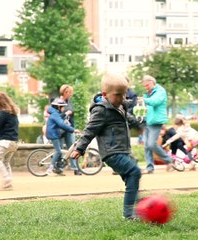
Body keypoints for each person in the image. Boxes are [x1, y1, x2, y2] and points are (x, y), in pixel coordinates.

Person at [71, 72, 142, 220]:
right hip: (111, 152)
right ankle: (129, 214)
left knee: (131, 178)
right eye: (118, 95)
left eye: (124, 94)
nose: (122, 98)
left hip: (123, 150)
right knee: (134, 172)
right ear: (105, 94)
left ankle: (139, 206)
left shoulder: (119, 105)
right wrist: (79, 148)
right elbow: (90, 129)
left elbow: (127, 117)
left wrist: (140, 125)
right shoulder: (101, 110)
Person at [141, 75, 173, 174]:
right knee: (146, 145)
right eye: (144, 86)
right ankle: (150, 168)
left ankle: (169, 160)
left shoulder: (160, 91)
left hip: (155, 121)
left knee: (151, 144)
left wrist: (144, 100)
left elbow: (155, 102)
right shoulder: (148, 93)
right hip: (148, 121)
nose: (145, 87)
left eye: (147, 85)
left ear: (151, 82)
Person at [46, 98, 75, 176]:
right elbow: (62, 124)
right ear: (58, 107)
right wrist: (73, 130)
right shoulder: (55, 114)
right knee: (58, 151)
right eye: (62, 107)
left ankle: (57, 169)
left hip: (55, 133)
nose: (64, 109)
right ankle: (50, 168)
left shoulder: (55, 113)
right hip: (53, 134)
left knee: (59, 150)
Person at [59, 84, 81, 175]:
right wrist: (65, 113)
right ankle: (59, 168)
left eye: (70, 92)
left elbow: (72, 110)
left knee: (72, 148)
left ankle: (75, 168)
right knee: (59, 149)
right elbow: (56, 116)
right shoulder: (58, 102)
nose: (70, 94)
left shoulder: (69, 101)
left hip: (69, 127)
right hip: (60, 128)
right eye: (68, 92)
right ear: (64, 92)